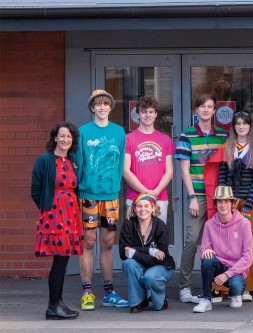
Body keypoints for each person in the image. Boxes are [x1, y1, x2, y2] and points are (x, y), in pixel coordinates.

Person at [75, 89, 128, 310]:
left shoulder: (119, 132)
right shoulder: (82, 132)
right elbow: (79, 164)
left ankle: (109, 292)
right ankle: (87, 292)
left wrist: (115, 187)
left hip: (110, 197)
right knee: (88, 242)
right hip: (88, 196)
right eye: (98, 104)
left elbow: (120, 164)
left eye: (106, 104)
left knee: (107, 243)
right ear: (92, 107)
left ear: (110, 107)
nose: (102, 108)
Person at [175, 93, 226, 303]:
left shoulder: (223, 136)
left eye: (210, 107)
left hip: (219, 198)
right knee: (191, 241)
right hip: (199, 196)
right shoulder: (186, 136)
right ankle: (185, 287)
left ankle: (218, 287)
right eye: (202, 107)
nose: (206, 110)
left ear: (215, 111)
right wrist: (192, 197)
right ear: (196, 110)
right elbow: (184, 171)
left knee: (220, 243)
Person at [31, 122, 83, 320]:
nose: (65, 140)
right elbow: (35, 189)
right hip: (54, 216)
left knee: (63, 260)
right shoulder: (45, 159)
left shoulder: (71, 161)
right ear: (55, 138)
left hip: (71, 214)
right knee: (60, 261)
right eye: (62, 136)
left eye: (69, 137)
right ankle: (53, 306)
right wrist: (47, 210)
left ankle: (58, 302)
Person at [218, 110, 253, 301]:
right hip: (229, 202)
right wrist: (224, 201)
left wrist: (248, 205)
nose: (241, 127)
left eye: (244, 123)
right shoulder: (228, 146)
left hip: (249, 204)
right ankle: (225, 286)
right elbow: (222, 175)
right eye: (237, 124)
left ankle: (248, 287)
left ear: (250, 126)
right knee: (227, 244)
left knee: (249, 244)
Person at [192, 186, 253, 313]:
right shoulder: (209, 224)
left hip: (235, 269)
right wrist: (206, 250)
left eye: (226, 201)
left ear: (232, 204)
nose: (223, 205)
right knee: (207, 259)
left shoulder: (244, 223)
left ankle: (236, 294)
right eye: (219, 201)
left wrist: (227, 274)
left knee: (236, 286)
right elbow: (204, 248)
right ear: (215, 204)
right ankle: (206, 299)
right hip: (218, 265)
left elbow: (248, 257)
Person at [119, 194, 175, 313]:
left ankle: (161, 299)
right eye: (139, 206)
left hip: (161, 266)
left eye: (146, 206)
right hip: (142, 264)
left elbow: (160, 259)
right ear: (134, 209)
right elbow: (123, 253)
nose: (143, 209)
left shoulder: (160, 225)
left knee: (150, 277)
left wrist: (135, 252)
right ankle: (138, 301)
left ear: (153, 208)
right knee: (129, 264)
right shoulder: (128, 224)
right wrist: (150, 251)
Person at [123, 96, 174, 225]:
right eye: (144, 111)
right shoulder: (128, 139)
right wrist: (145, 192)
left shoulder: (165, 139)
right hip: (135, 198)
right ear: (138, 114)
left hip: (159, 198)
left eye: (151, 112)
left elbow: (169, 171)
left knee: (158, 240)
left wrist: (155, 192)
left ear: (156, 114)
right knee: (135, 240)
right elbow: (125, 171)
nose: (148, 115)